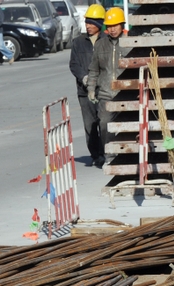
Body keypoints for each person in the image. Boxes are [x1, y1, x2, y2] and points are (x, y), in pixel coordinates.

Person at [87, 7, 125, 166]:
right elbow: (94, 69)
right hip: (106, 94)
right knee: (104, 125)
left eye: (115, 25)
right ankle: (109, 155)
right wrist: (91, 88)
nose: (112, 29)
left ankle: (126, 155)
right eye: (109, 26)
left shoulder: (130, 44)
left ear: (122, 25)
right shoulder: (100, 45)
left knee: (127, 127)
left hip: (125, 95)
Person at [69, 4, 105, 168]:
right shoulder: (78, 42)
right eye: (87, 23)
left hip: (104, 91)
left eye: (91, 23)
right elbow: (74, 64)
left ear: (99, 24)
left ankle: (106, 152)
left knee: (104, 123)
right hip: (85, 92)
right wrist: (84, 78)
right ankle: (96, 155)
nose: (88, 26)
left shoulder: (106, 41)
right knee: (90, 125)